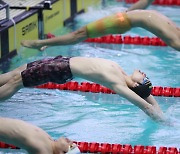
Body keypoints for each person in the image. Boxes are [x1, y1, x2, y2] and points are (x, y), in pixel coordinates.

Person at [0, 55, 165, 122]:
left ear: (136, 85)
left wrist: (163, 120)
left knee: (17, 81)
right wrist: (148, 95)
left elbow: (144, 105)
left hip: (60, 68)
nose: (144, 73)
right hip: (63, 61)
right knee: (18, 72)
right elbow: (146, 97)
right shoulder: (122, 74)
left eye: (145, 78)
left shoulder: (118, 84)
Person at [21, 10, 180, 51]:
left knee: (79, 35)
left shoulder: (176, 39)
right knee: (79, 35)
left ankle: (41, 43)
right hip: (123, 19)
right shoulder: (176, 37)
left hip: (122, 20)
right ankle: (43, 44)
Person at [0, 117, 80, 154]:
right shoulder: (51, 143)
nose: (71, 141)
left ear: (62, 152)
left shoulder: (44, 151)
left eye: (71, 146)